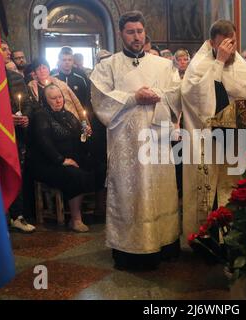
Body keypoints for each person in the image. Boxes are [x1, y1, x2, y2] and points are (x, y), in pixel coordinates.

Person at [90, 11, 181, 271]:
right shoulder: (108, 66)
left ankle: (164, 244)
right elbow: (100, 99)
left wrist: (155, 94)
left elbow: (176, 94)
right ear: (121, 34)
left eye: (140, 31)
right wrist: (132, 98)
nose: (136, 37)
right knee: (130, 193)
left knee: (160, 190)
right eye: (130, 32)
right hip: (125, 145)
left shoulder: (163, 65)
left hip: (158, 139)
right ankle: (129, 251)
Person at [181, 20, 246, 238]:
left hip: (234, 137)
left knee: (233, 186)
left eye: (233, 43)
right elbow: (197, 96)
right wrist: (219, 61)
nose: (230, 49)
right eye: (224, 44)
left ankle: (233, 237)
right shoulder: (199, 64)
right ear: (211, 42)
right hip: (207, 138)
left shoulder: (238, 61)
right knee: (210, 190)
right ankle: (207, 239)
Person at [29, 85, 103, 232]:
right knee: (75, 174)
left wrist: (85, 135)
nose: (58, 101)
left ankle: (100, 209)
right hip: (49, 163)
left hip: (72, 158)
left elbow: (81, 143)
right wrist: (61, 160)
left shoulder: (68, 115)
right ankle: (76, 220)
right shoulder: (41, 115)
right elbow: (44, 143)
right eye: (53, 98)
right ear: (45, 100)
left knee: (100, 166)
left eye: (60, 97)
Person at [1, 40, 36, 233]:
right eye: (3, 49)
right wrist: (6, 119)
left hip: (17, 135)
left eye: (8, 49)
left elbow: (28, 103)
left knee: (15, 172)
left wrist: (26, 117)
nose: (8, 52)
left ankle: (17, 216)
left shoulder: (15, 78)